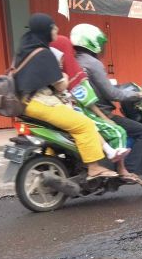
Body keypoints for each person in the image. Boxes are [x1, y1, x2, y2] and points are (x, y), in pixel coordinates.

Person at [14, 14, 117, 180]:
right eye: (53, 27)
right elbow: (61, 85)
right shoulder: (45, 54)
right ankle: (94, 168)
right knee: (84, 125)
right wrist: (64, 73)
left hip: (24, 104)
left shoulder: (25, 50)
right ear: (45, 30)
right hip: (41, 103)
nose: (57, 29)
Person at [49, 36, 141, 183]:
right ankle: (121, 169)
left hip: (56, 115)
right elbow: (90, 100)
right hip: (77, 114)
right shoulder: (72, 74)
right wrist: (104, 118)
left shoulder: (47, 72)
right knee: (118, 131)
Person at [71, 24, 142, 181]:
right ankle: (126, 171)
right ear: (93, 43)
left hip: (82, 110)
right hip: (99, 112)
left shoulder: (75, 61)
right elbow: (111, 93)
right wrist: (135, 94)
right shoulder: (93, 64)